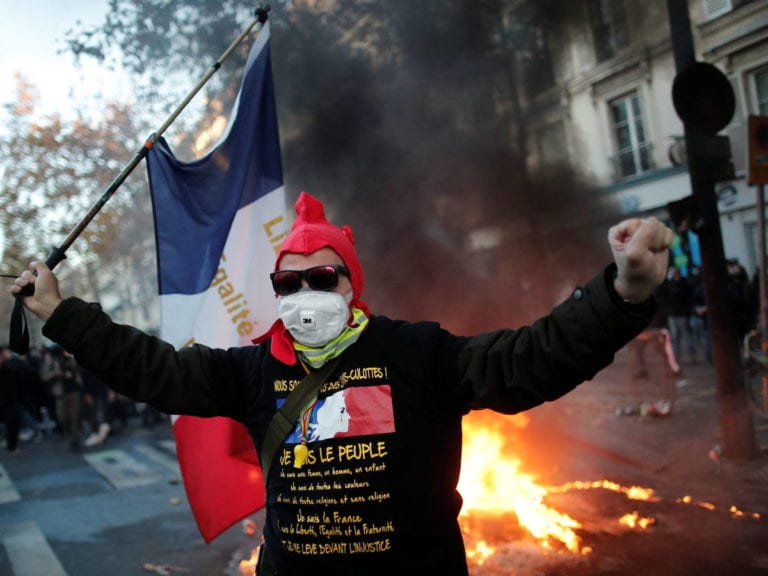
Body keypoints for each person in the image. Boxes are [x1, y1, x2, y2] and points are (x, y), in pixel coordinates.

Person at [11, 192, 672, 575]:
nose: (304, 293)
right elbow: (153, 369)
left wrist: (623, 293)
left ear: (351, 283)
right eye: (288, 282)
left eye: (322, 278)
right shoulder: (251, 370)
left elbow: (528, 360)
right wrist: (62, 314)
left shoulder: (416, 352)